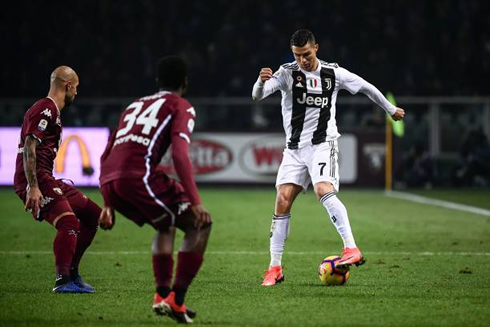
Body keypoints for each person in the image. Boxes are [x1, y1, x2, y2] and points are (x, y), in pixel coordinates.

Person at [252, 29, 405, 286]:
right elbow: (258, 95)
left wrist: (390, 109)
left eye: (307, 54)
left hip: (323, 144)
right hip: (294, 149)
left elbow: (366, 87)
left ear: (317, 48)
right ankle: (275, 268)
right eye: (298, 55)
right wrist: (259, 81)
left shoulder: (333, 74)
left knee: (323, 189)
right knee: (282, 199)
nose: (302, 60)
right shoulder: (287, 73)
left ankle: (351, 248)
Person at [98, 56, 212, 324]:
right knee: (200, 224)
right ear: (185, 82)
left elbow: (107, 151)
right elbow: (180, 155)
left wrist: (107, 202)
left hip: (110, 180)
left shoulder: (134, 104)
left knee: (166, 225)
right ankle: (177, 300)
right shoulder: (180, 105)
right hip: (139, 176)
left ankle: (162, 296)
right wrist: (195, 201)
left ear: (157, 82)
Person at [13, 66, 102, 293]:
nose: (76, 93)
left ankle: (72, 272)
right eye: (77, 88)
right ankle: (63, 280)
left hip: (46, 177)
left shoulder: (52, 111)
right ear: (69, 86)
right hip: (35, 179)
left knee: (93, 214)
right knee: (69, 223)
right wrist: (33, 187)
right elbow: (29, 147)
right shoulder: (46, 108)